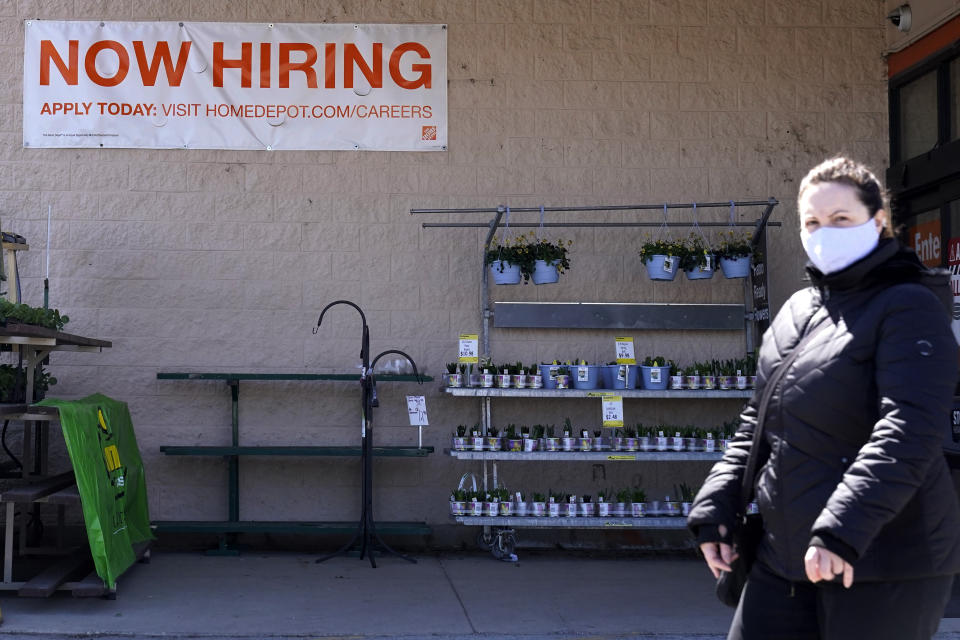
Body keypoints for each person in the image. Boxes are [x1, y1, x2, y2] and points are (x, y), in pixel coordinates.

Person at [687, 156, 960, 640]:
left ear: (878, 223)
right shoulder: (799, 310)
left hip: (879, 560)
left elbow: (909, 430)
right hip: (784, 556)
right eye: (812, 221)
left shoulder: (910, 304)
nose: (824, 232)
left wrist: (840, 531)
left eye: (841, 219)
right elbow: (759, 422)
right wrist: (717, 506)